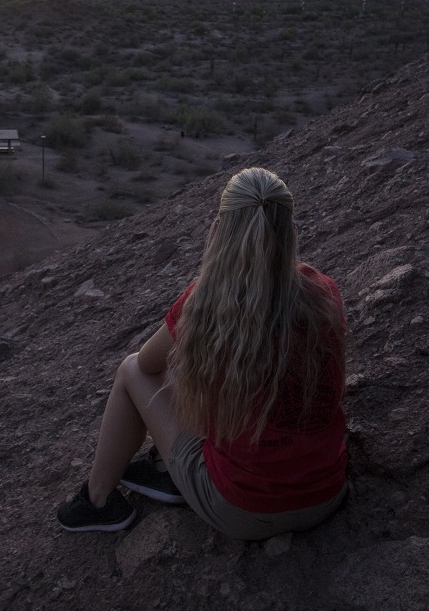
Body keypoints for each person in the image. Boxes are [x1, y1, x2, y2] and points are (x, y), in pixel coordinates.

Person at [57, 167, 348, 538]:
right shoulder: (322, 292)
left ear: (220, 230)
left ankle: (97, 501)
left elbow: (148, 365)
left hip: (245, 509)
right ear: (289, 229)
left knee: (132, 370)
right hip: (327, 494)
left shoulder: (207, 301)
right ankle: (166, 469)